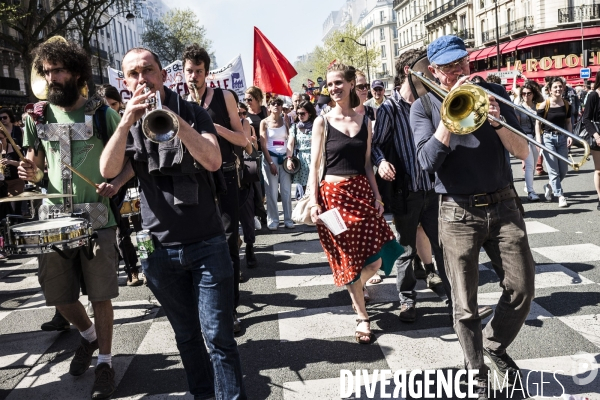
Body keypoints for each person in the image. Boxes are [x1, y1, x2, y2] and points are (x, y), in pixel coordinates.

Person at [99, 46, 246, 400]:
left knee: (218, 337)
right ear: (125, 82)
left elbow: (212, 160)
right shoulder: (129, 122)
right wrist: (124, 124)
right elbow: (107, 168)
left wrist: (175, 121)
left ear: (164, 76)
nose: (141, 79)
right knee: (186, 336)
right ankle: (202, 394)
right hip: (158, 248)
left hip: (207, 242)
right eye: (132, 74)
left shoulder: (193, 112)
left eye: (147, 71)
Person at [410, 35, 534, 399]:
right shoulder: (423, 107)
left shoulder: (494, 93)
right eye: (448, 67)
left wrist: (498, 121)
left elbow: (524, 151)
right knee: (464, 304)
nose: (458, 71)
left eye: (461, 63)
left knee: (522, 287)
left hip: (504, 204)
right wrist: (450, 114)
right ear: (433, 70)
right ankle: (475, 369)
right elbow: (426, 163)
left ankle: (493, 345)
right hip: (456, 210)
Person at [18, 37, 131, 399]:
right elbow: (36, 171)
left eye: (59, 70)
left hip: (97, 217)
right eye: (47, 71)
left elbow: (131, 161)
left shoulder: (101, 112)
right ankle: (88, 337)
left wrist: (117, 184)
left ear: (76, 72)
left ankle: (106, 364)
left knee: (101, 296)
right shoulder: (37, 117)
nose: (52, 78)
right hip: (54, 218)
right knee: (59, 297)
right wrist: (28, 173)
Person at [308, 63, 402, 345]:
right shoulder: (321, 122)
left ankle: (356, 286)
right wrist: (314, 202)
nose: (334, 88)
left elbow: (367, 165)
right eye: (330, 84)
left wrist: (377, 196)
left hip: (361, 192)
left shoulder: (366, 123)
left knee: (374, 258)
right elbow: (314, 167)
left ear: (351, 84)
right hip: (332, 198)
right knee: (347, 257)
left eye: (339, 83)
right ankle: (362, 315)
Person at [372, 49, 449, 323]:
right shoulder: (389, 109)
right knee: (406, 249)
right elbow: (376, 145)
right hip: (407, 191)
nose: (431, 72)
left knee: (443, 246)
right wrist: (380, 162)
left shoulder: (430, 102)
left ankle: (455, 299)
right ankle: (407, 300)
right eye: (427, 68)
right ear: (409, 70)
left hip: (434, 188)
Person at [182, 43, 249, 333]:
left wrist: (212, 126)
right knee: (201, 243)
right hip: (198, 181)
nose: (193, 76)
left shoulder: (224, 97)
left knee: (229, 242)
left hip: (227, 176)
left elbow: (243, 140)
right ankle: (208, 304)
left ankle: (231, 309)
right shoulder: (180, 103)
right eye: (189, 71)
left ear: (207, 73)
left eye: (198, 71)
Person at [536, 77, 572, 208]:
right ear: (550, 90)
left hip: (562, 138)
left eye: (560, 86)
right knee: (553, 170)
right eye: (555, 87)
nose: (558, 89)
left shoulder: (566, 104)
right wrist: (538, 141)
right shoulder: (544, 104)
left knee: (564, 169)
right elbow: (537, 122)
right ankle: (560, 195)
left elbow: (568, 122)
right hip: (547, 138)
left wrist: (570, 136)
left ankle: (549, 186)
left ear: (563, 88)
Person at [260, 97, 294, 230]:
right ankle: (273, 220)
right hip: (270, 157)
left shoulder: (285, 119)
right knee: (272, 191)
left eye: (279, 104)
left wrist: (289, 157)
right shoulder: (264, 122)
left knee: (286, 190)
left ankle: (288, 219)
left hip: (285, 158)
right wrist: (270, 163)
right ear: (268, 107)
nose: (276, 106)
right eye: (273, 104)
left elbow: (290, 138)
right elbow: (263, 144)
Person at [238, 101, 259, 268]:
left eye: (242, 113)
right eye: (237, 113)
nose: (241, 116)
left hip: (243, 177)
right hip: (223, 175)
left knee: (247, 216)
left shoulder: (245, 124)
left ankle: (250, 247)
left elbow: (250, 149)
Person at [244, 85, 268, 226]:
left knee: (265, 183)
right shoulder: (244, 114)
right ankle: (259, 212)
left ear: (257, 98)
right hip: (252, 152)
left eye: (249, 98)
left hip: (266, 151)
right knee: (256, 183)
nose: (247, 101)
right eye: (245, 99)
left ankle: (264, 211)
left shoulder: (265, 112)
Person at [516, 81, 543, 202]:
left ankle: (528, 186)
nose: (526, 96)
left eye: (529, 93)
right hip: (524, 137)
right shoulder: (518, 107)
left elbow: (539, 125)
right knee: (530, 164)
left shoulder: (538, 106)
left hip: (535, 137)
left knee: (533, 166)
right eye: (523, 94)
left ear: (533, 94)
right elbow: (516, 125)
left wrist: (539, 142)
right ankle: (531, 192)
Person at [287, 100, 316, 191]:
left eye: (303, 113)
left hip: (315, 157)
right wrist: (289, 159)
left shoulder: (316, 125)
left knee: (315, 187)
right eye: (298, 113)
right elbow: (290, 143)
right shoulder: (295, 127)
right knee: (304, 189)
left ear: (310, 113)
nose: (300, 116)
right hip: (301, 160)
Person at [582, 70, 600, 210]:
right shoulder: (594, 95)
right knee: (599, 170)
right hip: (598, 135)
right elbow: (586, 118)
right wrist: (596, 135)